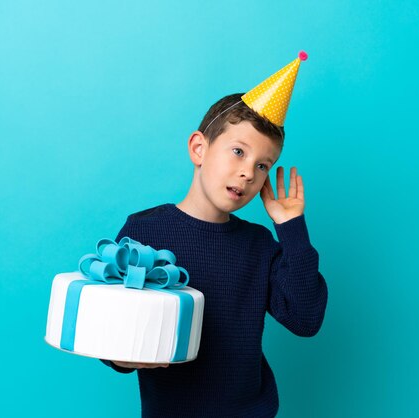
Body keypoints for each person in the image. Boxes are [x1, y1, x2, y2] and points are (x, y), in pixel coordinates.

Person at [101, 54, 328, 417]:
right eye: (238, 152)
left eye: (262, 165)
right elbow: (117, 329)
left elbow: (305, 319)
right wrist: (122, 358)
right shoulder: (143, 231)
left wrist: (291, 229)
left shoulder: (259, 246)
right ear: (199, 148)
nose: (247, 173)